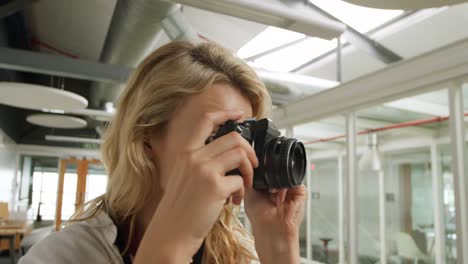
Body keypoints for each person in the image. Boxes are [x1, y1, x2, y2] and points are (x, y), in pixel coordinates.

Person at [20, 41, 307, 264]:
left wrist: (279, 251)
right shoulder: (61, 256)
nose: (237, 155)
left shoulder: (238, 251)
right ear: (146, 138)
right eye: (221, 135)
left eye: (246, 137)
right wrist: (170, 250)